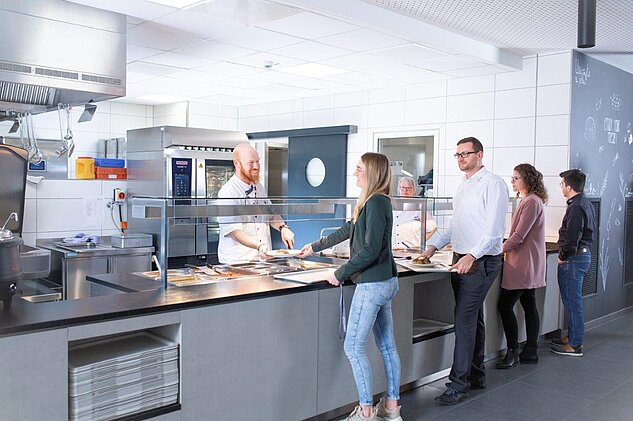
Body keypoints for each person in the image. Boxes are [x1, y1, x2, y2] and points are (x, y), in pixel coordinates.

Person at [299, 152, 402, 421]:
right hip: (385, 282)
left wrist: (340, 272)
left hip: (373, 285)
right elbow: (348, 230)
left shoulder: (377, 202)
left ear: (371, 173)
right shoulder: (371, 202)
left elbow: (370, 249)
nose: (355, 174)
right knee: (387, 346)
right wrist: (314, 246)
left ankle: (366, 412)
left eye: (358, 169)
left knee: (353, 348)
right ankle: (391, 409)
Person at [418, 137, 509, 405]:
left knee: (463, 320)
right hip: (462, 258)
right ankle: (476, 374)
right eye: (457, 155)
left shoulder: (493, 184)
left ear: (479, 155)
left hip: (480, 261)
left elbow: (494, 232)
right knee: (472, 319)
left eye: (465, 154)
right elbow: (454, 226)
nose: (460, 159)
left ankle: (458, 385)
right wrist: (432, 247)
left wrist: (471, 255)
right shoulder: (463, 187)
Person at [495, 164, 548, 369]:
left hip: (523, 264)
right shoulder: (530, 200)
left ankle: (512, 352)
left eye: (516, 178)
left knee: (505, 305)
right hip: (528, 262)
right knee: (529, 304)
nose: (513, 181)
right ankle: (531, 350)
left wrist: (498, 249)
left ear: (527, 179)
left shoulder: (531, 202)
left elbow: (519, 236)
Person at [217, 143, 295, 263]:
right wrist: (258, 246)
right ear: (236, 163)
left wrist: (283, 227)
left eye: (257, 161)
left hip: (262, 260)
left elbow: (271, 214)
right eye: (251, 162)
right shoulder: (228, 192)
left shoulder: (259, 187)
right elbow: (234, 232)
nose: (256, 166)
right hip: (238, 262)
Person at [551, 169, 595, 357]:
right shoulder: (584, 202)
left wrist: (563, 256)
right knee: (572, 300)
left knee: (572, 302)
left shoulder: (576, 206)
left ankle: (575, 344)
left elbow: (572, 235)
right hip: (582, 256)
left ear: (569, 187)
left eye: (561, 184)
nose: (561, 187)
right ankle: (572, 337)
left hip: (574, 258)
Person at [392, 176, 437, 249]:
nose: (405, 190)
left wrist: (420, 241)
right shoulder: (393, 207)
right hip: (393, 248)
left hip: (411, 249)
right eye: (402, 187)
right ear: (399, 189)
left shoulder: (418, 207)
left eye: (408, 188)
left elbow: (433, 227)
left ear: (413, 190)